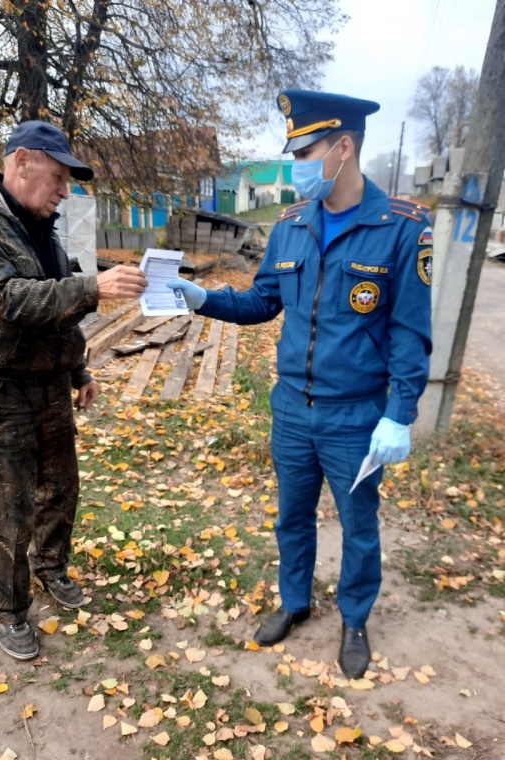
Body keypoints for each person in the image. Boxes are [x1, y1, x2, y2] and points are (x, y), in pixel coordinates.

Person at [168, 90, 432, 679]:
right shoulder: (290, 225)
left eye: (305, 152)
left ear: (343, 148)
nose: (297, 167)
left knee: (359, 525)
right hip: (291, 410)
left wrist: (399, 413)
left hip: (356, 417)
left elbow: (411, 335)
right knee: (292, 517)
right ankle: (294, 602)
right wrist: (204, 298)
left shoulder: (401, 228)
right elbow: (264, 300)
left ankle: (355, 617)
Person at [0, 120, 147, 660]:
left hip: (51, 385)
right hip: (1, 390)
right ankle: (8, 610)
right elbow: (8, 300)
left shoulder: (43, 225)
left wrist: (78, 370)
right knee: (7, 508)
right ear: (22, 161)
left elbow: (59, 310)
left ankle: (51, 568)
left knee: (60, 489)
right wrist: (92, 286)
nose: (63, 192)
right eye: (57, 178)